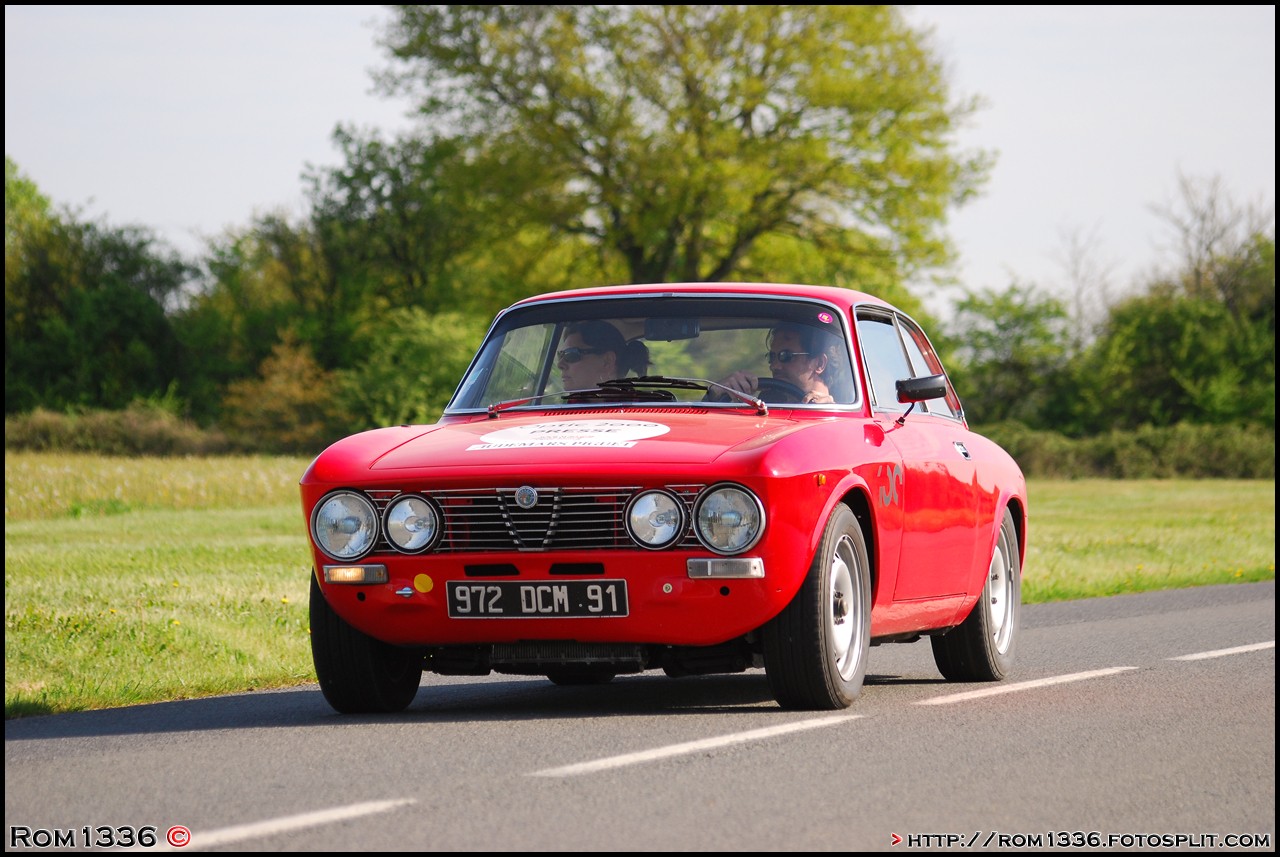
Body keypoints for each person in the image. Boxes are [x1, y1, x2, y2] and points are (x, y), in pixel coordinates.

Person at [717, 323, 846, 404]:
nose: (774, 366)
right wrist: (717, 396)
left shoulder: (843, 420)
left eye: (786, 356)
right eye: (772, 357)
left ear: (819, 364)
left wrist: (828, 414)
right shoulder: (763, 406)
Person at [557, 320, 650, 390]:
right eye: (560, 355)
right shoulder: (562, 412)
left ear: (607, 361)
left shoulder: (640, 411)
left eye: (571, 355)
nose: (560, 364)